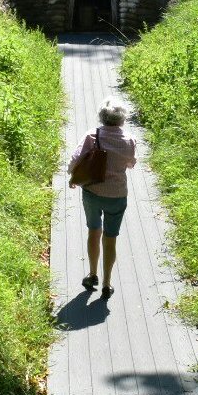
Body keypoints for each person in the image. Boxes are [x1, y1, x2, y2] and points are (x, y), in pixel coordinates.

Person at [67, 97, 137, 298]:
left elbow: (75, 159)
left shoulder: (92, 136)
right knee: (110, 238)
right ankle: (107, 283)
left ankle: (92, 275)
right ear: (122, 119)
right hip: (117, 196)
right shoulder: (129, 140)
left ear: (102, 117)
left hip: (93, 192)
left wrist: (74, 177)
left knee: (93, 232)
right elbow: (131, 163)